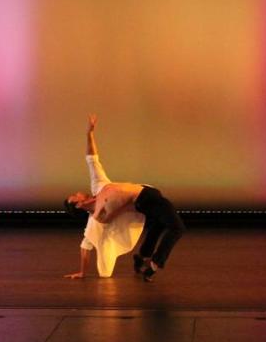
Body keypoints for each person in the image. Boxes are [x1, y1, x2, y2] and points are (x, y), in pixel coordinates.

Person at [64, 114, 185, 281]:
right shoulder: (98, 216)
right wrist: (83, 272)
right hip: (145, 199)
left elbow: (92, 160)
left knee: (159, 224)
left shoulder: (98, 187)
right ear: (78, 205)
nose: (77, 193)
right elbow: (86, 244)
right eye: (74, 196)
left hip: (148, 193)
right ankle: (154, 265)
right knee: (177, 227)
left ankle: (142, 256)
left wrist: (89, 134)